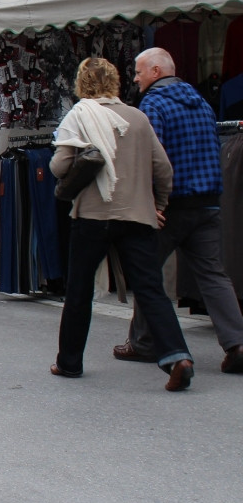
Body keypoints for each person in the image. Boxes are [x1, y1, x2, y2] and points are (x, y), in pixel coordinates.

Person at [49, 57, 195, 391]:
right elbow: (164, 171)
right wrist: (156, 206)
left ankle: (69, 362)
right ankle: (177, 356)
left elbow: (60, 167)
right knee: (150, 290)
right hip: (136, 216)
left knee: (79, 291)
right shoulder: (138, 117)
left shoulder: (79, 116)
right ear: (115, 82)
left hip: (93, 216)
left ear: (82, 84)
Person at [115, 48, 243, 374]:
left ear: (156, 71)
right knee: (214, 276)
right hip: (207, 202)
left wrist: (150, 202)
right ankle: (237, 342)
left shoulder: (154, 104)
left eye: (139, 71)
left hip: (171, 205)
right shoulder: (201, 103)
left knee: (146, 271)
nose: (135, 78)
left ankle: (144, 343)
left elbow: (150, 158)